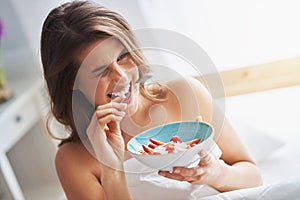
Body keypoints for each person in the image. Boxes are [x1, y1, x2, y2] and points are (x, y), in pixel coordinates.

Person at [40, 1, 262, 199]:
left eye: (123, 56)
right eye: (100, 71)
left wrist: (216, 174)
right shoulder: (73, 160)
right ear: (72, 82)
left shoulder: (185, 93)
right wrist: (112, 168)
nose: (122, 75)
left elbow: (253, 178)